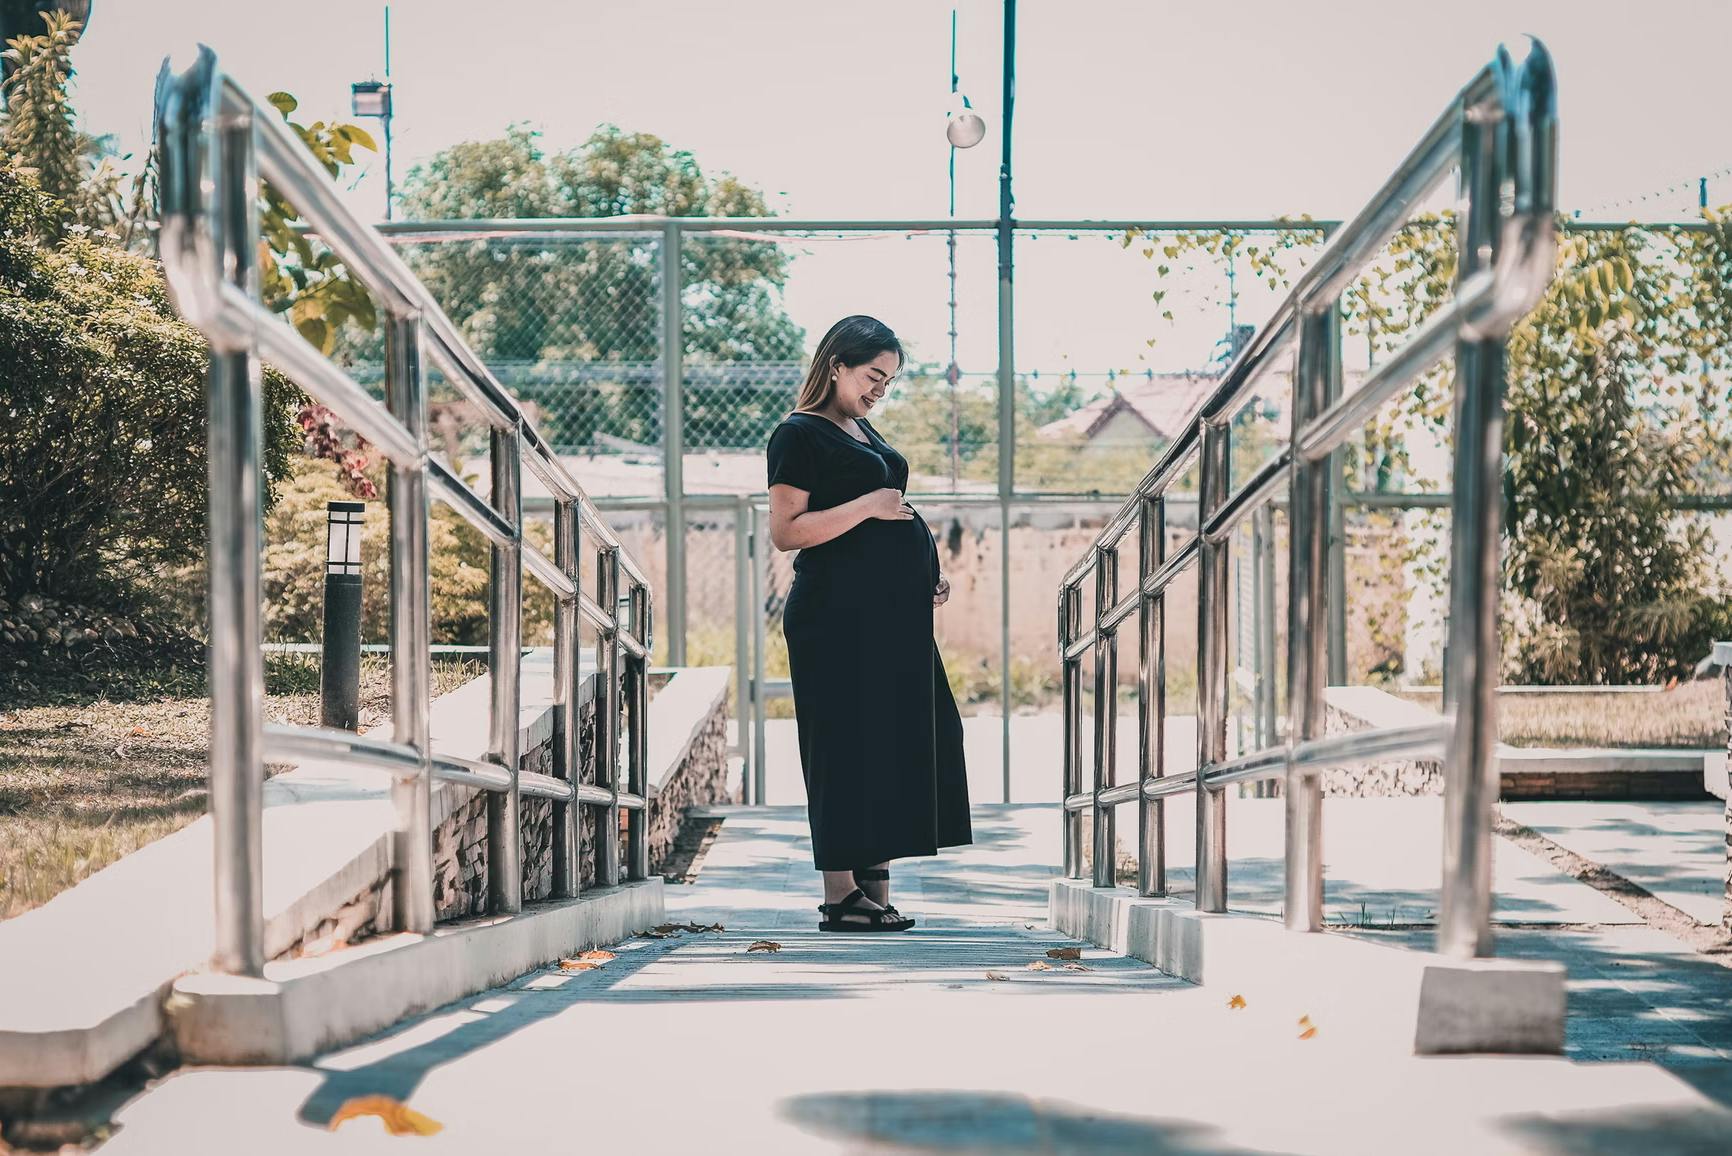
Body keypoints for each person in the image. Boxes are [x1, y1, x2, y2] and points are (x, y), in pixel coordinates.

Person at [765, 315, 973, 934]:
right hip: (834, 619)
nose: (881, 388)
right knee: (841, 747)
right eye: (872, 375)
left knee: (891, 743)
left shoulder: (863, 430)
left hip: (890, 619)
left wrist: (917, 577)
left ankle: (874, 885)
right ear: (837, 365)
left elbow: (885, 523)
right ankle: (840, 895)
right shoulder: (797, 434)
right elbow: (787, 533)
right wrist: (873, 507)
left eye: (889, 379)